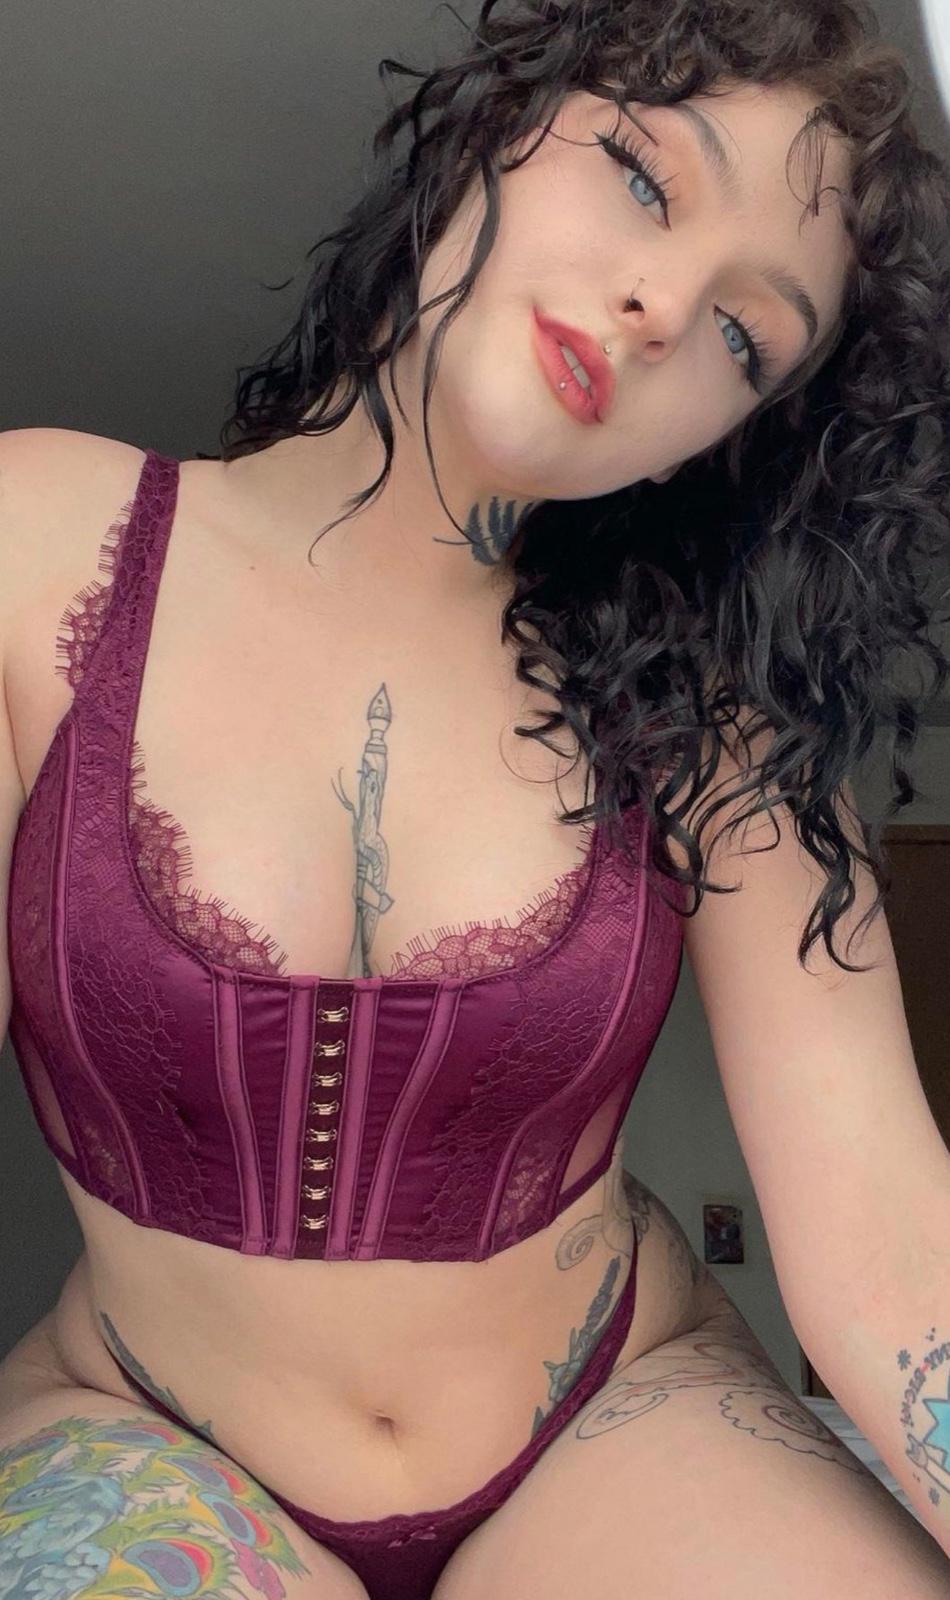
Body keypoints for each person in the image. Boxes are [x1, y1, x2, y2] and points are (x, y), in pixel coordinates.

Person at [0, 0, 948, 1595]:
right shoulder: (35, 545)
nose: (662, 307)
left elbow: (884, 1237)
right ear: (496, 124)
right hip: (139, 1424)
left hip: (617, 1422)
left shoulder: (711, 727)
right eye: (643, 177)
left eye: (744, 339)